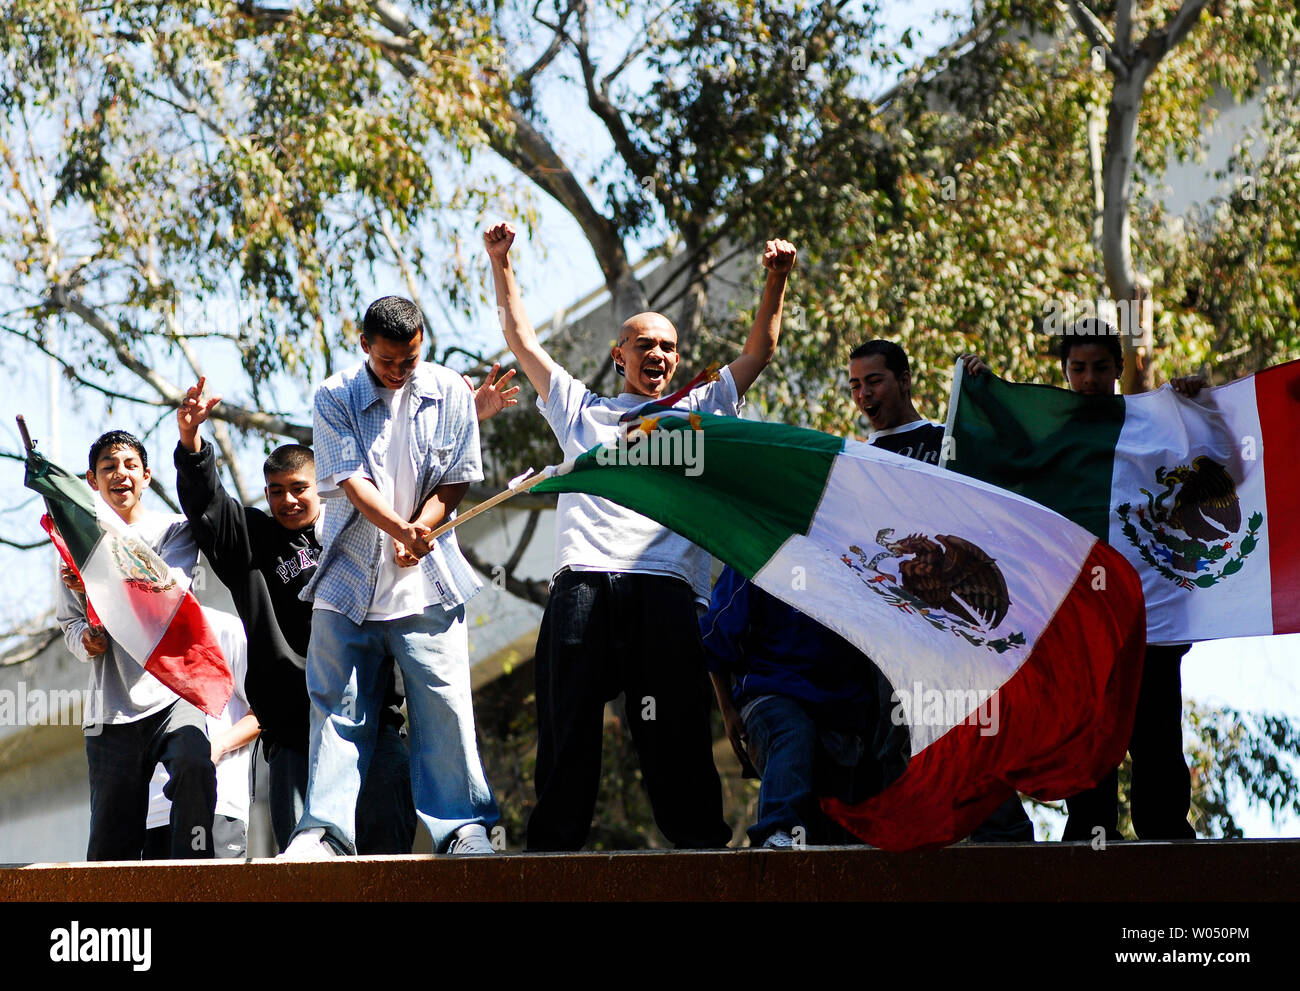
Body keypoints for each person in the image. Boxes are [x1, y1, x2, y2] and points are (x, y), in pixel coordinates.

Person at [484, 220, 797, 850]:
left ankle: (702, 847)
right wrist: (501, 261)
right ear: (618, 356)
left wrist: (777, 277)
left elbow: (758, 352)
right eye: (643, 345)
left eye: (668, 348)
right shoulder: (581, 412)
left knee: (673, 728)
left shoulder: (699, 413)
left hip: (665, 596)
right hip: (585, 590)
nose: (657, 355)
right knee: (569, 721)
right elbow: (520, 339)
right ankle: (552, 852)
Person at [960, 320, 1202, 840]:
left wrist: (1198, 400)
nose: (1088, 379)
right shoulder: (1053, 436)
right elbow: (1007, 455)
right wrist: (984, 389)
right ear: (1065, 373)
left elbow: (1217, 468)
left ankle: (1166, 839)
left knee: (1156, 729)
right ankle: (1090, 833)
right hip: (1080, 617)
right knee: (1089, 727)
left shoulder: (1153, 424)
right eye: (1077, 369)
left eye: (1099, 368)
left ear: (1119, 368)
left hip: (1149, 615)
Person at [282, 295, 501, 859]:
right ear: (364, 347)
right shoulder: (335, 396)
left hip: (429, 586)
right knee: (336, 709)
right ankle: (325, 834)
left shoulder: (451, 389)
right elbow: (350, 482)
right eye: (388, 362)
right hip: (348, 583)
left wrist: (423, 528)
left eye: (410, 359)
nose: (400, 372)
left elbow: (457, 477)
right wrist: (403, 531)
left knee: (445, 708)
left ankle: (463, 830)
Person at [850, 340, 1035, 843]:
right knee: (896, 738)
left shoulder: (949, 437)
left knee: (971, 728)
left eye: (874, 381)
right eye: (855, 385)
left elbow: (1022, 455)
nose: (864, 394)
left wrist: (988, 394)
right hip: (890, 632)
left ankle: (1008, 846)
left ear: (905, 380)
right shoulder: (855, 461)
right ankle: (908, 847)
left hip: (955, 633)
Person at [56, 430, 217, 860]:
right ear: (92, 480)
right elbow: (69, 624)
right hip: (110, 709)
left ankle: (197, 874)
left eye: (130, 465)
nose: (120, 474)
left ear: (146, 475)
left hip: (173, 692)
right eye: (108, 467)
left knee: (194, 766)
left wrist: (101, 580)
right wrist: (86, 639)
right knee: (113, 842)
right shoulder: (75, 543)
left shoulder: (174, 531)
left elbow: (168, 592)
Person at [702, 566, 886, 848]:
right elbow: (715, 640)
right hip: (770, 696)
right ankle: (777, 832)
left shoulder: (848, 562)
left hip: (841, 710)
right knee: (793, 729)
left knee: (836, 836)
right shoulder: (757, 557)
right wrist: (727, 710)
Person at [143, 609, 258, 858]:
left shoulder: (227, 629)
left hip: (219, 803)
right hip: (152, 812)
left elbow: (266, 710)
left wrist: (217, 747)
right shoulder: (137, 635)